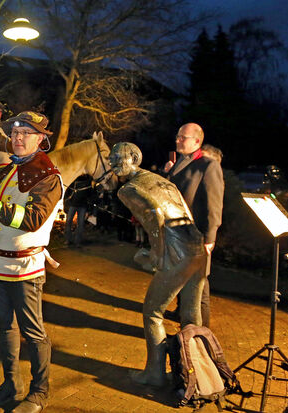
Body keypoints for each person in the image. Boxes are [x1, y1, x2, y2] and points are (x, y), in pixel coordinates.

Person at [0, 111, 63, 413]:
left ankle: (39, 393)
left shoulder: (48, 176)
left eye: (26, 133)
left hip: (26, 268)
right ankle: (12, 385)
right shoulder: (9, 170)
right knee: (5, 328)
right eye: (15, 133)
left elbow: (32, 220)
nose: (18, 138)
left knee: (34, 334)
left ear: (41, 140)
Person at [110, 142, 207, 386]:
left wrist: (158, 253)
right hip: (196, 248)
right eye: (110, 157)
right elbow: (186, 211)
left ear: (134, 157)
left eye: (116, 156)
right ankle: (196, 371)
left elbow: (154, 214)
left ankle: (155, 372)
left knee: (152, 312)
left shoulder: (129, 189)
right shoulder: (162, 181)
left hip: (176, 252)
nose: (112, 162)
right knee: (190, 314)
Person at [163, 123, 224, 328]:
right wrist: (168, 175)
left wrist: (210, 237)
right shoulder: (181, 160)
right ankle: (185, 323)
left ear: (197, 141)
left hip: (197, 237)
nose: (178, 140)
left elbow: (214, 204)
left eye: (183, 137)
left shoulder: (208, 165)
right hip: (177, 234)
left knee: (200, 289)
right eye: (178, 136)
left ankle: (202, 335)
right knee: (184, 284)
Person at [64, 174, 93, 246]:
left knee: (80, 224)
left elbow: (90, 196)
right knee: (68, 222)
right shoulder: (74, 180)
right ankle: (68, 239)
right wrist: (66, 204)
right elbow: (68, 192)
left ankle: (78, 241)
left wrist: (89, 209)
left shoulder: (88, 181)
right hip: (72, 205)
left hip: (82, 206)